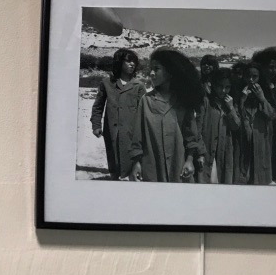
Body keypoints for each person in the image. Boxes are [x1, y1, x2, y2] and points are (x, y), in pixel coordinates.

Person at [129, 48, 204, 183]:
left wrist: (189, 160)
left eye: (156, 69)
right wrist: (136, 163)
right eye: (151, 69)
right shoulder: (146, 101)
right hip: (152, 166)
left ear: (170, 73)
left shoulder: (183, 101)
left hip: (179, 166)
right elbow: (137, 137)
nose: (151, 73)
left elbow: (191, 136)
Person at [90, 49, 146, 180]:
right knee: (113, 164)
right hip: (111, 132)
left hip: (132, 133)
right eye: (128, 61)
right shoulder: (106, 83)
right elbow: (98, 106)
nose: (132, 64)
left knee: (133, 165)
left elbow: (144, 111)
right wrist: (96, 125)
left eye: (134, 61)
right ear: (119, 62)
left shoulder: (139, 85)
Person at [197, 67, 241, 183]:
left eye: (227, 87)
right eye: (220, 86)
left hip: (224, 151)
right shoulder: (206, 101)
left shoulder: (231, 103)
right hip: (207, 151)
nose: (223, 90)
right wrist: (200, 152)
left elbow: (236, 126)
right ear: (214, 85)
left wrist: (231, 108)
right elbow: (198, 129)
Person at [252, 47, 276, 183]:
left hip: (275, 131)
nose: (273, 70)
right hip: (260, 130)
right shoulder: (256, 87)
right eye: (270, 67)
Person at [237, 62, 276, 185]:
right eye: (248, 76)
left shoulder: (266, 93)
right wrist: (242, 100)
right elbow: (237, 118)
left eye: (254, 77)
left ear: (260, 78)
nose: (251, 80)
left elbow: (272, 115)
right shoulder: (238, 93)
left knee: (260, 178)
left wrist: (262, 98)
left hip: (261, 142)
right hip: (244, 142)